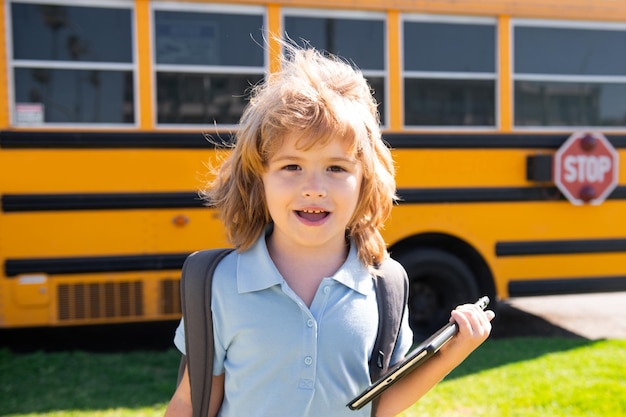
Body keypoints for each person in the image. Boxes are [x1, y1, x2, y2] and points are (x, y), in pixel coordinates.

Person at [164, 43, 495, 417]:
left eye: (336, 168)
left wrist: (455, 350)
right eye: (292, 167)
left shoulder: (384, 285)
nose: (314, 187)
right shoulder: (222, 283)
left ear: (365, 182)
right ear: (259, 180)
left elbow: (380, 404)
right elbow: (192, 401)